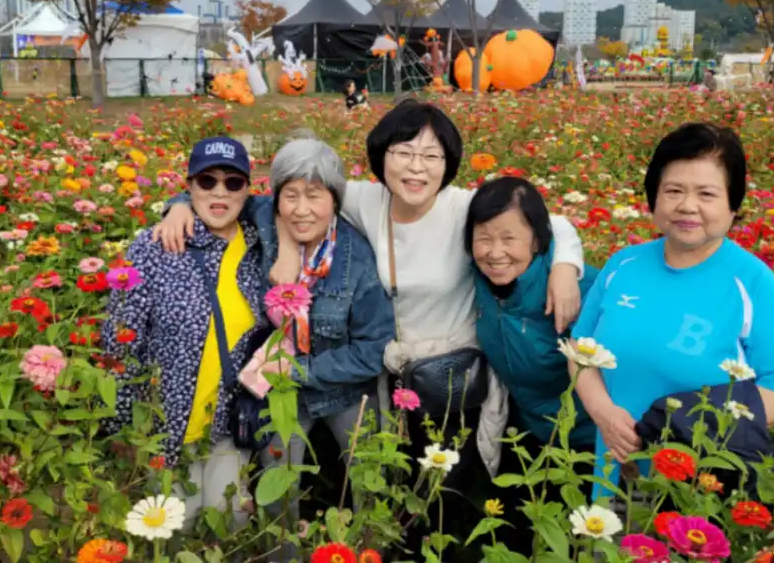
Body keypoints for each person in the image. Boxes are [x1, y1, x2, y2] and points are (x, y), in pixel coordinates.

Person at [154, 101, 587, 554]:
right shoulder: (365, 199)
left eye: (431, 155)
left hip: (448, 377)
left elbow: (545, 221)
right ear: (383, 157)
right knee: (340, 485)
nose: (416, 167)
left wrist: (564, 267)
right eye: (404, 151)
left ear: (447, 164)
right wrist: (181, 204)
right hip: (386, 375)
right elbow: (247, 197)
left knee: (434, 491)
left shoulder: (461, 208)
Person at [572, 122, 774, 500]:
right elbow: (579, 352)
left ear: (732, 205)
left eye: (707, 194)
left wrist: (680, 428)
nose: (687, 206)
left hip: (698, 488)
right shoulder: (623, 265)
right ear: (653, 197)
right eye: (673, 190)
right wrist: (604, 412)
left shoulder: (751, 282)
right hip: (612, 475)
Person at [102, 136, 274, 524]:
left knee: (227, 520)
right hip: (164, 424)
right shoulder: (157, 245)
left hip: (229, 424)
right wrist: (122, 428)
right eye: (206, 181)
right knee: (168, 525)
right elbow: (121, 342)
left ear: (247, 190)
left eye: (232, 183)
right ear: (189, 185)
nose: (219, 192)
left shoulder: (260, 248)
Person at [234, 139, 395, 532]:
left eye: (314, 195)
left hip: (344, 389)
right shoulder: (268, 222)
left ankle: (366, 551)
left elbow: (374, 350)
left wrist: (300, 371)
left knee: (370, 480)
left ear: (335, 200)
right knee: (277, 486)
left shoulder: (357, 260)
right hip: (283, 394)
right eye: (290, 195)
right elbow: (213, 198)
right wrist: (176, 211)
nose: (301, 209)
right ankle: (282, 552)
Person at [465, 177, 598, 554]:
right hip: (528, 432)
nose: (494, 252)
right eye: (484, 238)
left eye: (510, 239)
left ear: (538, 242)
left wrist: (566, 268)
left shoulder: (578, 291)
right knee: (515, 536)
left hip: (587, 442)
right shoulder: (476, 277)